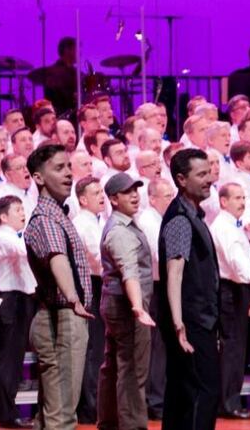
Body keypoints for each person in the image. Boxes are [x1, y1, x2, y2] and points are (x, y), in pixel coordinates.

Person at [23, 144, 94, 429]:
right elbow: (58, 259)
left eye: (68, 167)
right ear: (38, 178)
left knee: (51, 414)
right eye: (58, 168)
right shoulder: (47, 219)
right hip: (60, 317)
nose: (68, 174)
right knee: (62, 414)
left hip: (60, 316)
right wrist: (74, 298)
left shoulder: (57, 215)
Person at [158, 148, 220, 429]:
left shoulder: (192, 214)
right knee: (202, 391)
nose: (210, 179)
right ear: (182, 179)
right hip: (191, 320)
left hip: (196, 317)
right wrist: (179, 324)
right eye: (202, 174)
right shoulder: (181, 219)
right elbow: (174, 274)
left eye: (209, 172)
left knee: (183, 393)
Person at [97, 172, 155, 430]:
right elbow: (128, 270)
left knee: (114, 364)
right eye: (127, 192)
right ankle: (131, 426)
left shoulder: (125, 224)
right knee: (132, 368)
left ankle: (109, 421)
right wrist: (137, 307)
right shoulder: (119, 231)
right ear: (113, 198)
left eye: (136, 190)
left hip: (116, 302)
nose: (134, 195)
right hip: (126, 305)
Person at [211, 182, 250, 420]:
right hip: (232, 289)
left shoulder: (232, 225)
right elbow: (235, 258)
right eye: (237, 198)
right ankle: (228, 403)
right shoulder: (224, 227)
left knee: (235, 347)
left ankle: (227, 401)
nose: (242, 202)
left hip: (238, 288)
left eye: (243, 197)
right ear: (223, 201)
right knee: (233, 349)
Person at [0, 195, 36, 429]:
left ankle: (12, 410)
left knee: (17, 357)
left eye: (22, 209)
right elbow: (22, 250)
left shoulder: (18, 235)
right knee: (8, 358)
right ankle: (6, 414)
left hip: (24, 298)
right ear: (3, 217)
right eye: (17, 210)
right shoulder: (3, 235)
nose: (22, 213)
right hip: (10, 300)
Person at [135, 178, 175, 420]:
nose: (171, 200)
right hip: (154, 287)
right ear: (152, 198)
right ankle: (154, 401)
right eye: (167, 196)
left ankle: (158, 398)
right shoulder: (149, 221)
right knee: (156, 346)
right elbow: (160, 256)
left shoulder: (160, 219)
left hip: (161, 285)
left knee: (161, 346)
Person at [71, 176, 105, 424]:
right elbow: (97, 257)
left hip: (99, 283)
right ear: (83, 199)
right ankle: (89, 406)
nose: (102, 196)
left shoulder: (97, 220)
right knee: (93, 349)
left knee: (97, 348)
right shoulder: (83, 223)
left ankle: (93, 403)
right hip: (91, 284)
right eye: (96, 192)